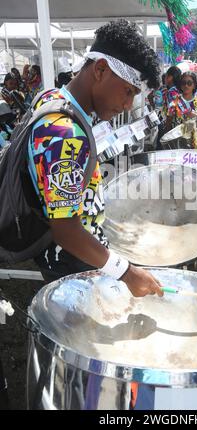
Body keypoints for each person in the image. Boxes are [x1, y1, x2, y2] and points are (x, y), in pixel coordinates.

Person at [27, 19, 163, 298]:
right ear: (101, 70)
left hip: (80, 254)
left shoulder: (53, 97)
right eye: (128, 91)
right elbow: (67, 231)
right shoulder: (65, 134)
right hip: (71, 264)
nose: (128, 105)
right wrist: (126, 272)